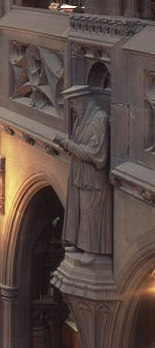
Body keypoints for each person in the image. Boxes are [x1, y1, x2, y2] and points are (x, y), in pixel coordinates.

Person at [55, 86, 111, 260]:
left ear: (83, 101)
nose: (73, 109)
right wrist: (67, 144)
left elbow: (97, 155)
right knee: (81, 210)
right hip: (81, 174)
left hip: (93, 178)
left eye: (74, 105)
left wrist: (68, 144)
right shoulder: (82, 118)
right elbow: (79, 144)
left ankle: (93, 250)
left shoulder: (99, 119)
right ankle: (82, 245)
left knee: (90, 212)